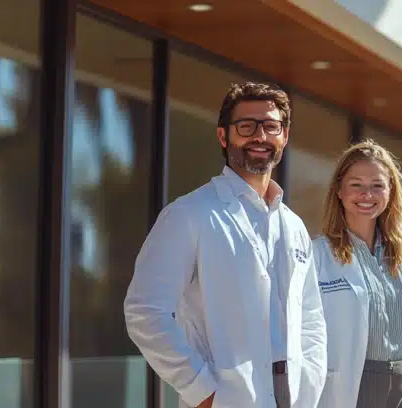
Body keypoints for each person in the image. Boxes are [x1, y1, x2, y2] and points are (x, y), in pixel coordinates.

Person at [123, 82, 327, 408]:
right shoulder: (190, 215)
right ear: (223, 136)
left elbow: (312, 319)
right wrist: (203, 392)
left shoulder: (294, 226)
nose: (260, 136)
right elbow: (144, 312)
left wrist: (311, 384)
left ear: (284, 137)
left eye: (271, 127)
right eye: (246, 126)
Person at [311, 140, 402, 408]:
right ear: (338, 190)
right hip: (354, 385)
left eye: (377, 185)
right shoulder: (318, 257)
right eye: (356, 185)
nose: (366, 194)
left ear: (391, 191)